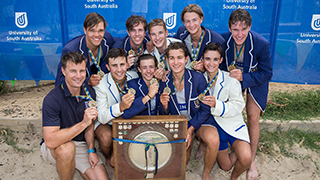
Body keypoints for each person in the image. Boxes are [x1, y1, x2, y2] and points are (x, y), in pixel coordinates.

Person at [220, 9, 273, 180]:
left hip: (255, 79)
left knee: (252, 117)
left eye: (243, 29)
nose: (239, 34)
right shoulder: (223, 40)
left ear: (250, 27)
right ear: (229, 28)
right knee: (227, 110)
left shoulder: (261, 43)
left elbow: (267, 73)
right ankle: (234, 146)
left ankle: (251, 162)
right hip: (232, 79)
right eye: (235, 29)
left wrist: (245, 77)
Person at [41, 52, 109, 180]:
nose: (78, 76)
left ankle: (77, 165)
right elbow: (50, 141)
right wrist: (83, 123)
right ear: (63, 71)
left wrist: (90, 150)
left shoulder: (90, 93)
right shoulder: (52, 99)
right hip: (58, 144)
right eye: (73, 71)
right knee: (67, 150)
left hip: (80, 144)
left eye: (82, 71)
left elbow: (90, 125)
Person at [158, 42, 219, 180]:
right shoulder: (163, 82)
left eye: (179, 57)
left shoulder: (197, 78)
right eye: (171, 58)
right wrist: (164, 105)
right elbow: (163, 114)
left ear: (186, 59)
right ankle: (190, 147)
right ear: (167, 60)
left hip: (198, 120)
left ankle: (206, 172)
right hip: (179, 124)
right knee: (180, 164)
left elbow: (205, 110)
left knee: (214, 140)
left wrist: (191, 129)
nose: (175, 62)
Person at [202, 43, 251, 180]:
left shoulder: (230, 79)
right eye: (208, 59)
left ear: (221, 60)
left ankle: (234, 177)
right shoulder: (198, 79)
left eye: (215, 59)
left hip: (231, 123)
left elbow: (238, 105)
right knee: (225, 166)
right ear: (202, 59)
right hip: (215, 128)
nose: (211, 63)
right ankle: (235, 148)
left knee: (246, 158)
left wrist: (218, 105)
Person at [93, 48, 138, 165]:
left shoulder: (134, 76)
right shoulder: (101, 85)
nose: (119, 69)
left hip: (127, 121)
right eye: (114, 65)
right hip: (107, 122)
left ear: (127, 64)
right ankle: (108, 157)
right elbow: (102, 117)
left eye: (122, 64)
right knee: (106, 137)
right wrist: (121, 107)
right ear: (107, 67)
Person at [55, 12, 115, 87]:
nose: (97, 35)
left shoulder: (107, 39)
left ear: (104, 30)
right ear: (85, 30)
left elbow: (119, 43)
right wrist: (88, 81)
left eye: (100, 30)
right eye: (92, 30)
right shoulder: (71, 50)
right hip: (80, 89)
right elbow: (61, 81)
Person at [173, 4, 226, 72]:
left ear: (201, 19)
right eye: (188, 21)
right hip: (188, 78)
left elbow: (222, 69)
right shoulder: (181, 33)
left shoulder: (217, 41)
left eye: (194, 20)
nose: (191, 25)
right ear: (183, 23)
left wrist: (206, 69)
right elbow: (169, 42)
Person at [122, 54, 160, 118]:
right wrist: (148, 96)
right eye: (144, 68)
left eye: (151, 67)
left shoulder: (162, 84)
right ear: (139, 69)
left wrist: (165, 106)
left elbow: (165, 112)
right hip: (139, 126)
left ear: (156, 68)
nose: (148, 71)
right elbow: (126, 113)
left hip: (159, 125)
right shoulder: (131, 85)